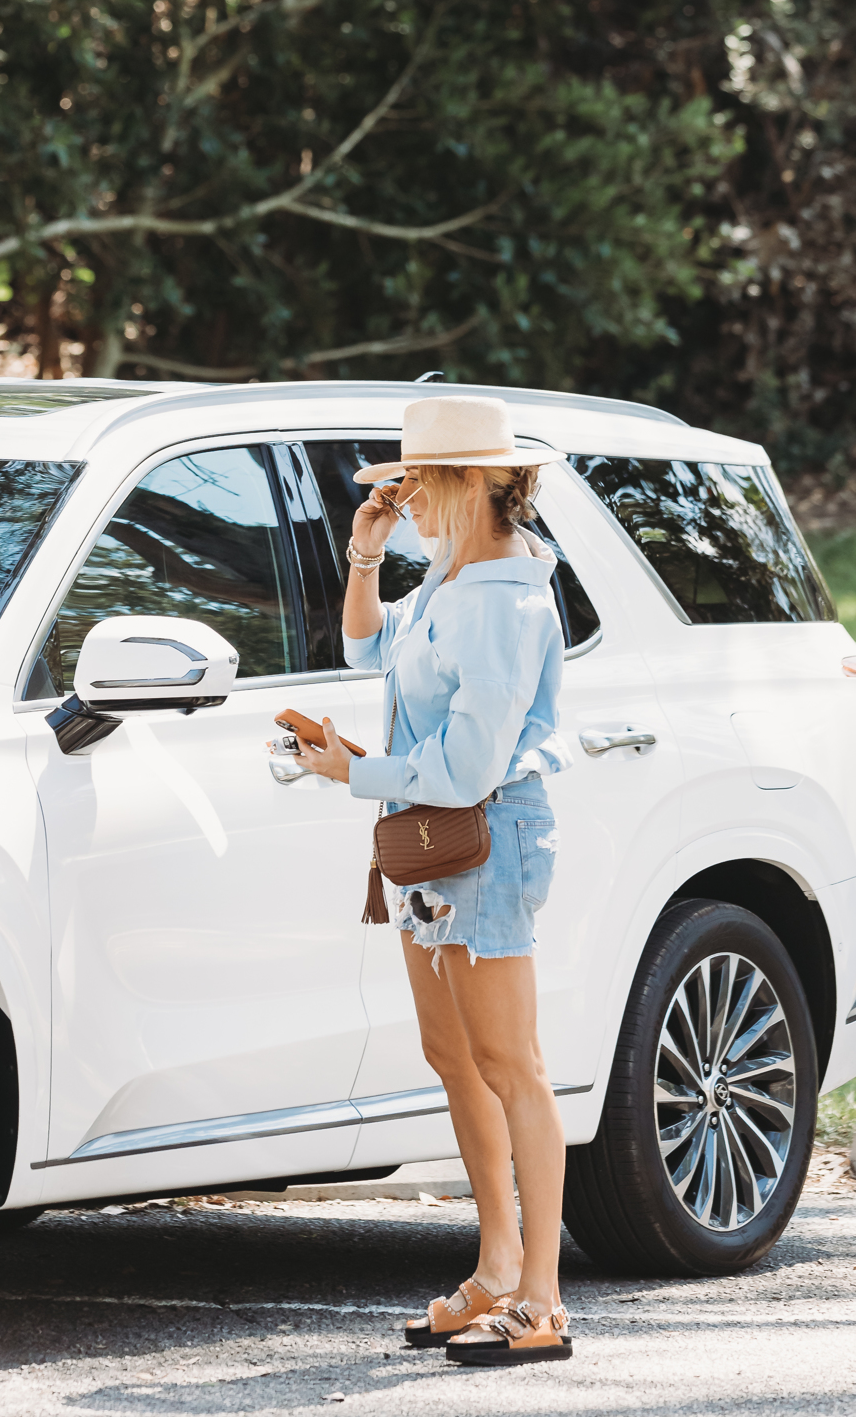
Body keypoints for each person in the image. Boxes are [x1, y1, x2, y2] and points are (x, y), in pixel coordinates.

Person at [293, 393, 574, 1366]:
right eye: (395, 484)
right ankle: (495, 1265)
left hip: (484, 834)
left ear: (469, 481)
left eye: (412, 483)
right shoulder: (449, 578)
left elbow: (467, 768)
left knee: (510, 1063)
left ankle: (539, 1298)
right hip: (431, 838)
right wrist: (363, 555)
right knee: (452, 1055)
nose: (401, 495)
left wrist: (351, 770)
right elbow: (367, 649)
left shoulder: (503, 596)